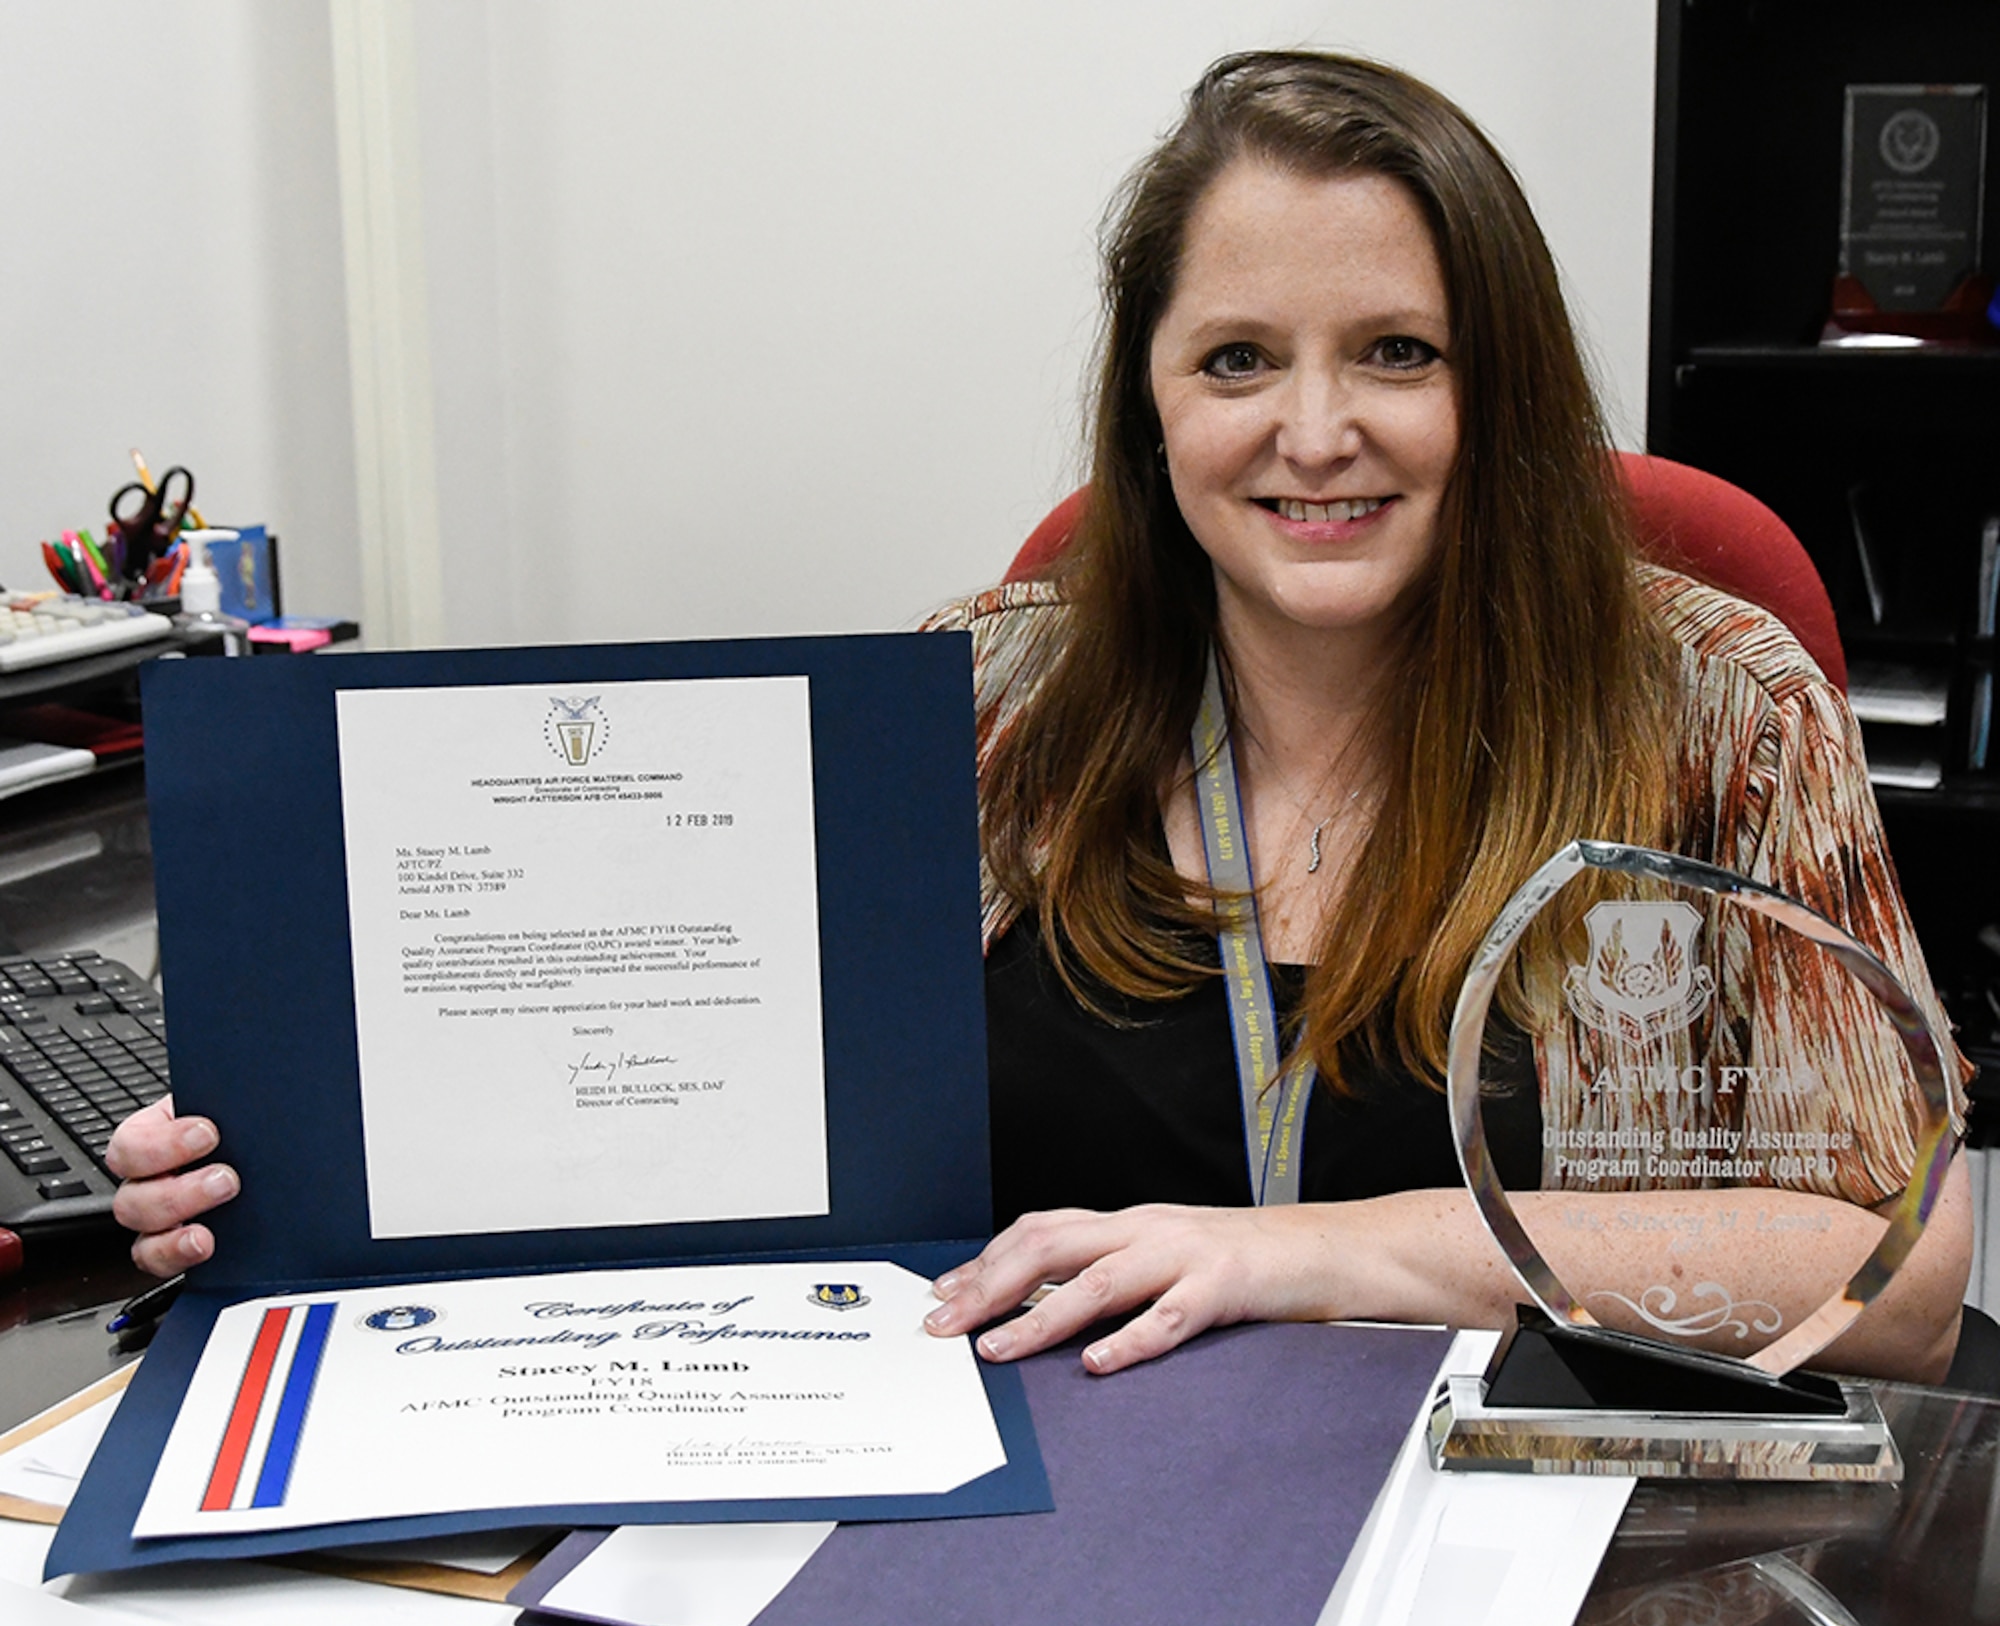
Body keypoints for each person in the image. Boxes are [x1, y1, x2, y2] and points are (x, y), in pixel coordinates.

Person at [106, 51, 1972, 1384]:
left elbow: (1889, 1279)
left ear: (1503, 387)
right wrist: (292, 1184)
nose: (1315, 432)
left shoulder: (1705, 706)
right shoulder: (983, 696)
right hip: (1030, 1521)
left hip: (1544, 1528)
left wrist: (1295, 1258)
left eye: (1397, 352)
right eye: (1237, 358)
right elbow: (696, 1139)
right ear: (1152, 412)